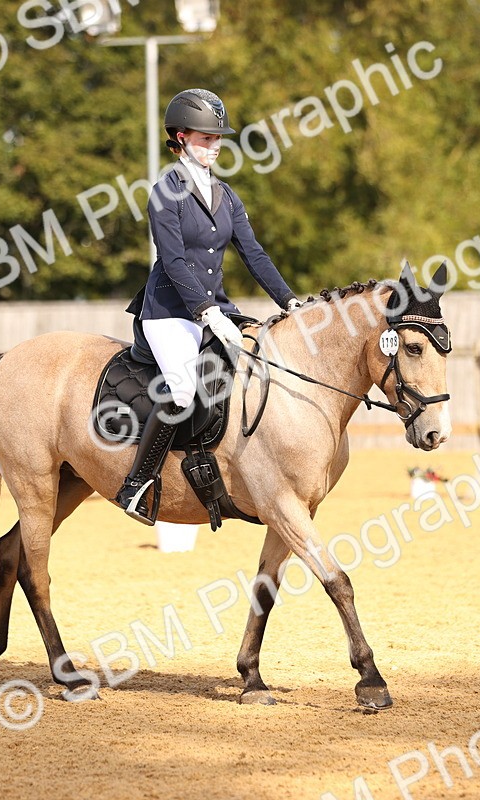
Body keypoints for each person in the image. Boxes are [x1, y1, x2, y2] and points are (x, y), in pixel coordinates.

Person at [115, 88, 302, 525]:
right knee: (182, 390)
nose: (214, 147)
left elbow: (253, 254)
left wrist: (291, 301)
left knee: (254, 366)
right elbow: (174, 260)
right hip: (169, 310)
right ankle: (136, 485)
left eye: (218, 140)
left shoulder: (226, 195)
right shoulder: (165, 192)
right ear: (180, 138)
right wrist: (207, 312)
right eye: (205, 139)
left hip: (214, 305)